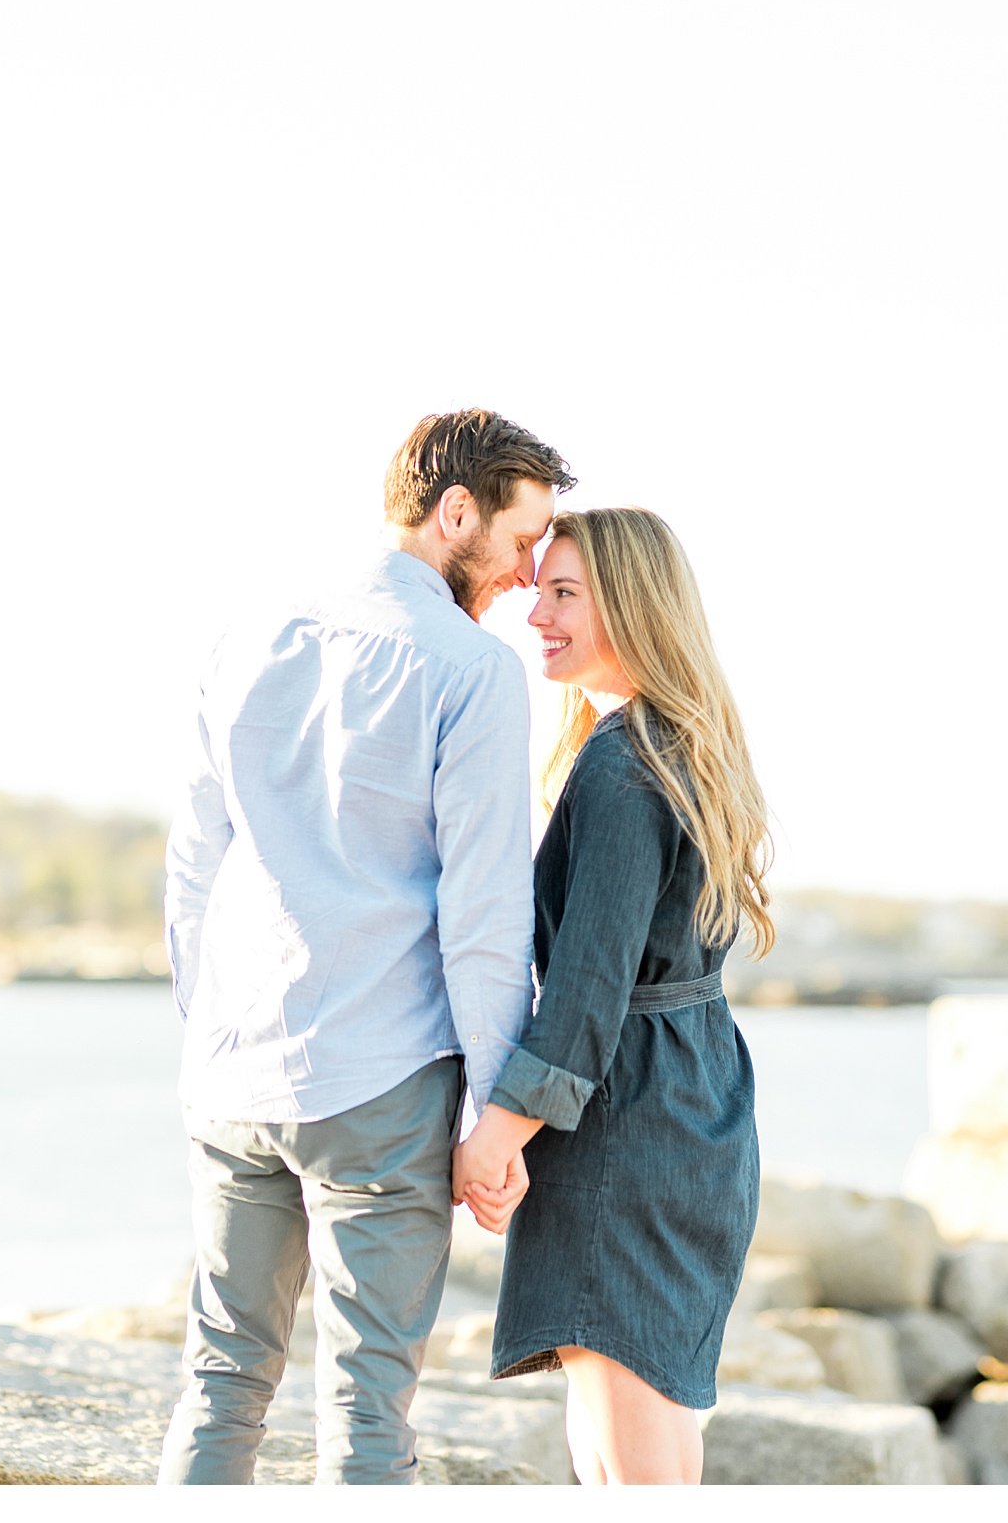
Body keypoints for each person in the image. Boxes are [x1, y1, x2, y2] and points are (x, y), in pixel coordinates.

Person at [156, 409, 576, 1485]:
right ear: (454, 513)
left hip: (232, 1071)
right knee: (367, 1409)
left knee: (218, 1378)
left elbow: (195, 863)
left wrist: (207, 1031)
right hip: (380, 1080)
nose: (529, 575)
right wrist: (495, 1111)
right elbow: (484, 917)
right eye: (522, 541)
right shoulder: (469, 670)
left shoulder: (245, 633)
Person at [451, 506, 775, 1486]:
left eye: (562, 593)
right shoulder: (682, 745)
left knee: (624, 1468)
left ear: (631, 604)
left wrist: (496, 1135)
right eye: (537, 587)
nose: (534, 614)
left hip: (621, 1130)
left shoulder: (621, 764)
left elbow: (588, 984)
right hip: (696, 1110)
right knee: (651, 1443)